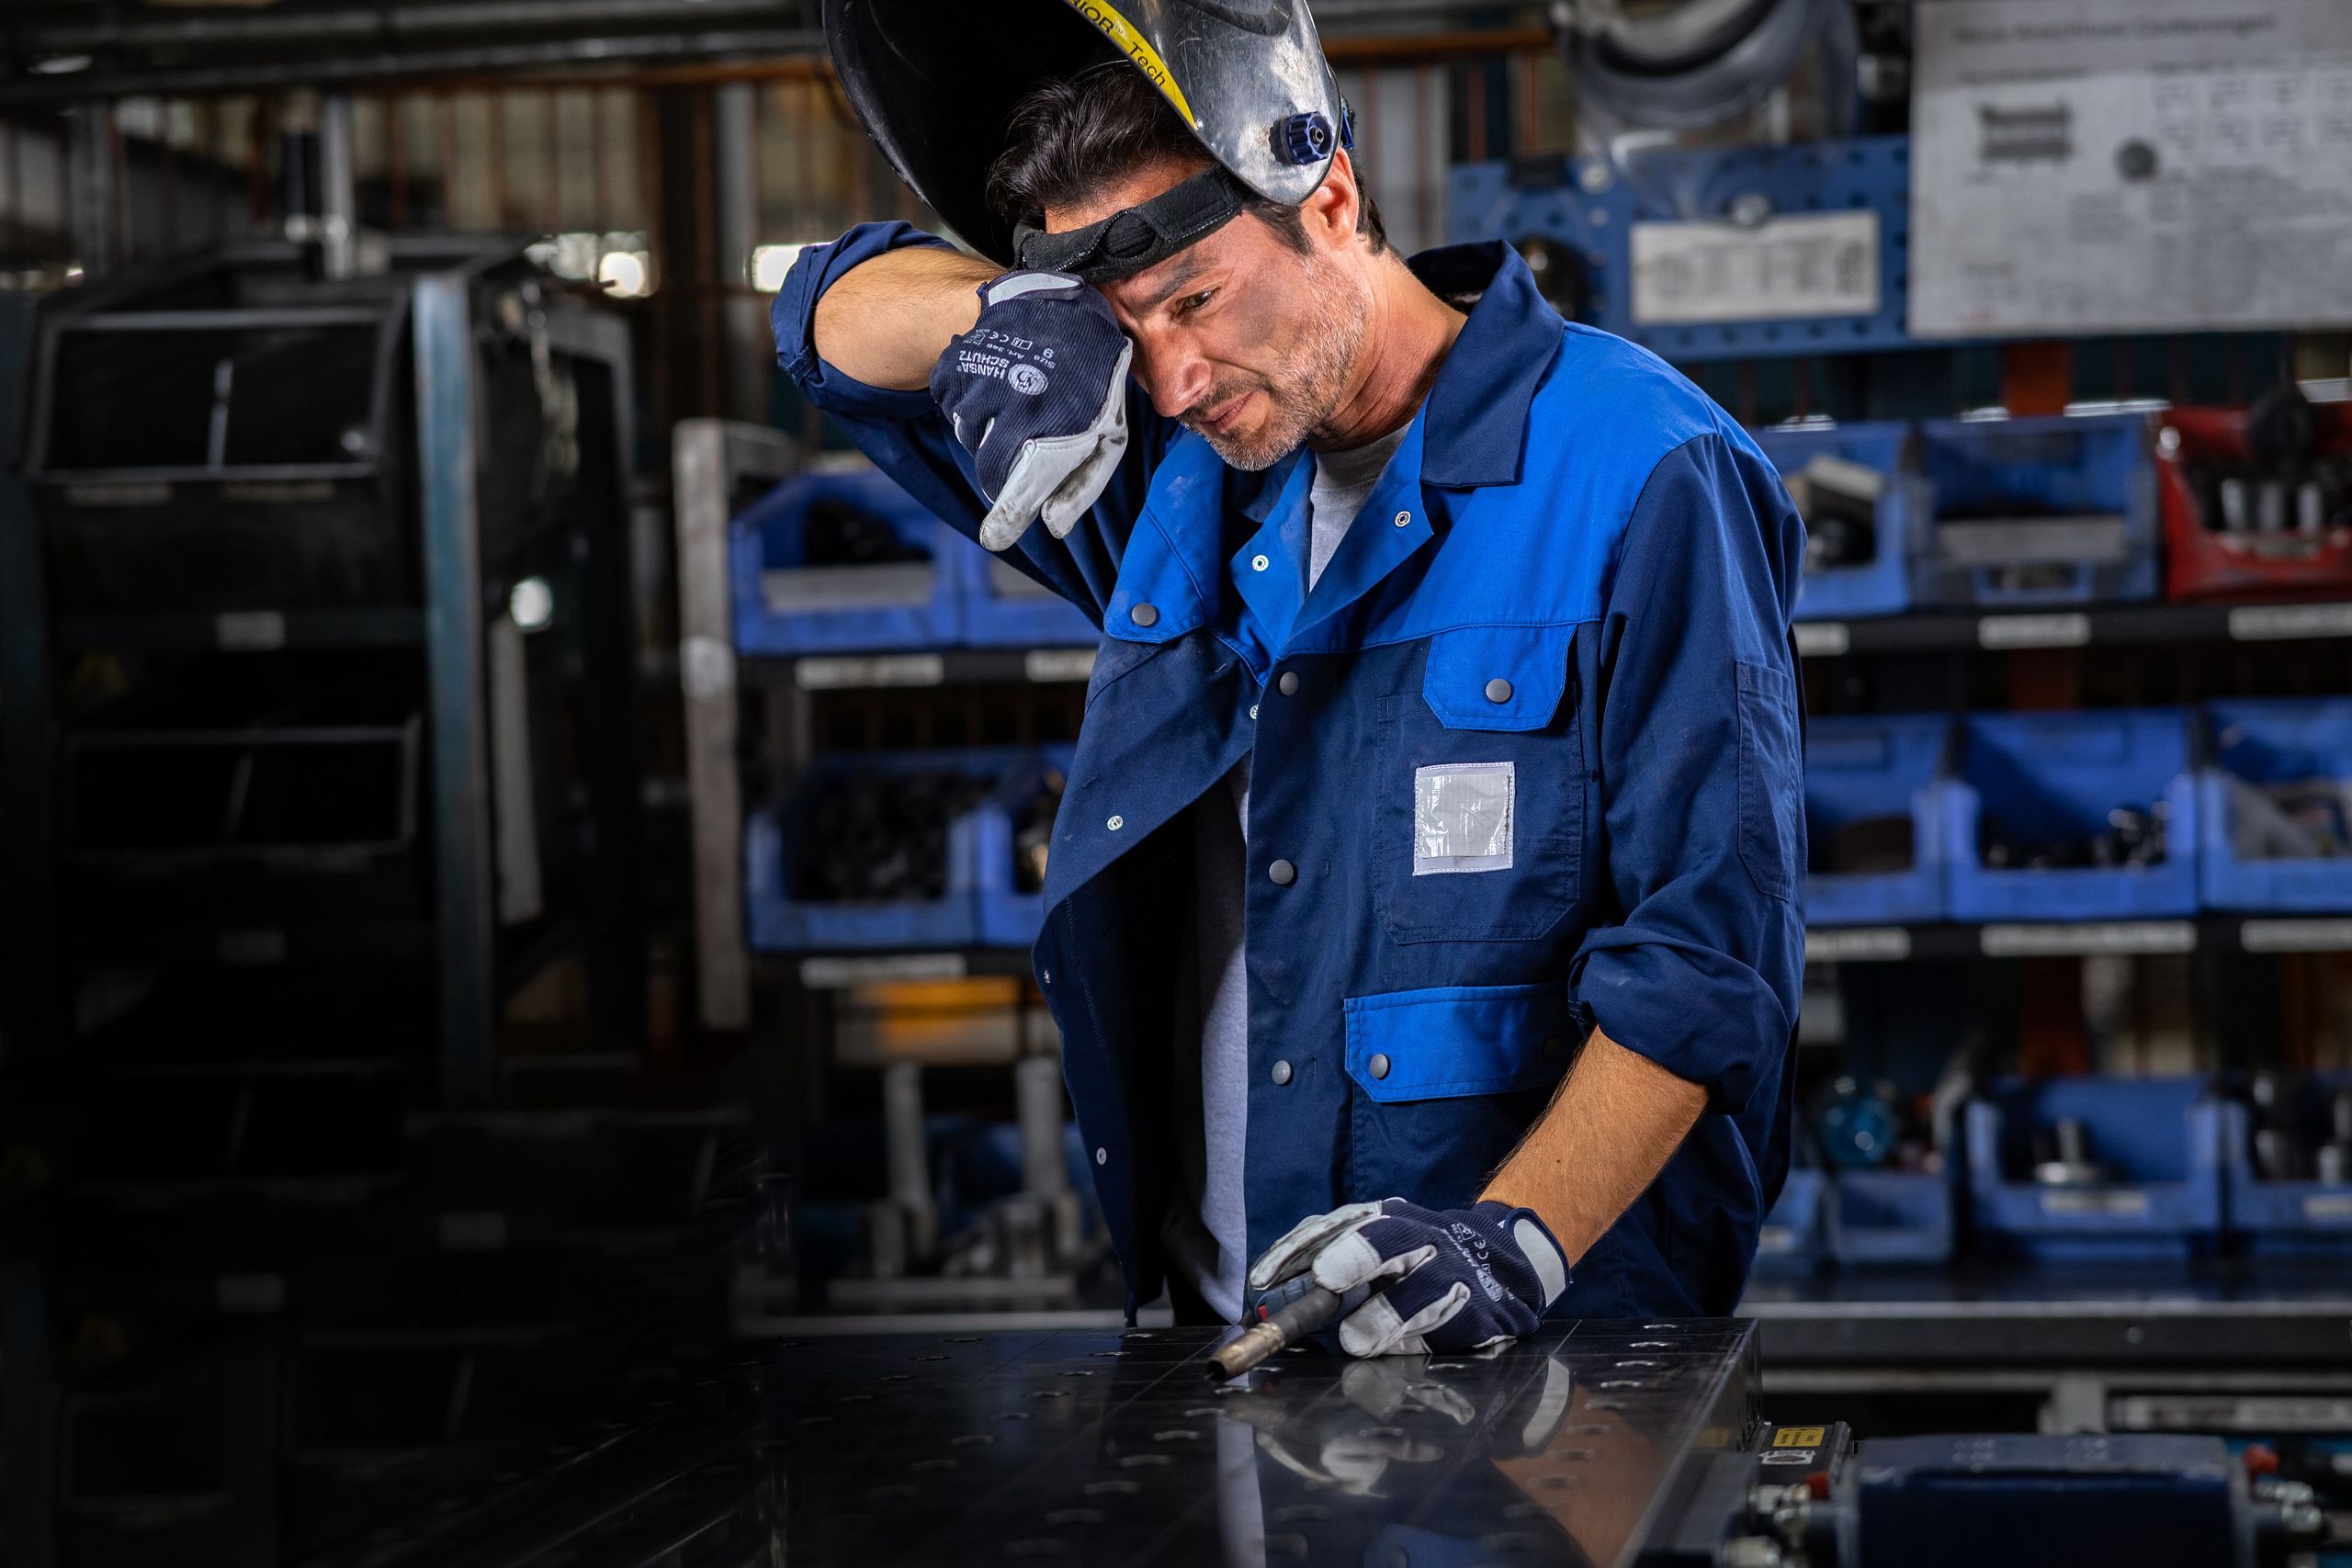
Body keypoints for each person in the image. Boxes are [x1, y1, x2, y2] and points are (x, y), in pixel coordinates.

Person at [775, 0, 1806, 1354]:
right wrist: (1010, 316)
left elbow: (1707, 953)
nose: (1178, 376)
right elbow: (819, 316)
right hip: (1235, 1340)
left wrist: (1514, 1241)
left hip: (1544, 1344)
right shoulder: (1174, 474)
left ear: (1328, 198)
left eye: (1193, 301)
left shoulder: (1639, 469)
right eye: (1125, 331)